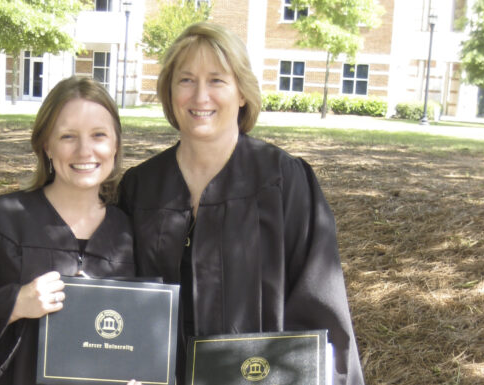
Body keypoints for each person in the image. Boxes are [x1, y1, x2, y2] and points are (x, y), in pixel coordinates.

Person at [119, 23, 364, 385]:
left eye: (217, 80)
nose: (200, 96)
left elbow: (319, 306)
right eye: (185, 80)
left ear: (242, 93)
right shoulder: (141, 187)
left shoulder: (283, 181)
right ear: (170, 93)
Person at [0, 77, 136, 385]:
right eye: (67, 136)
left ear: (115, 144)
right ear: (46, 145)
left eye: (99, 135)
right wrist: (14, 304)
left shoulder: (130, 230)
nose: (84, 150)